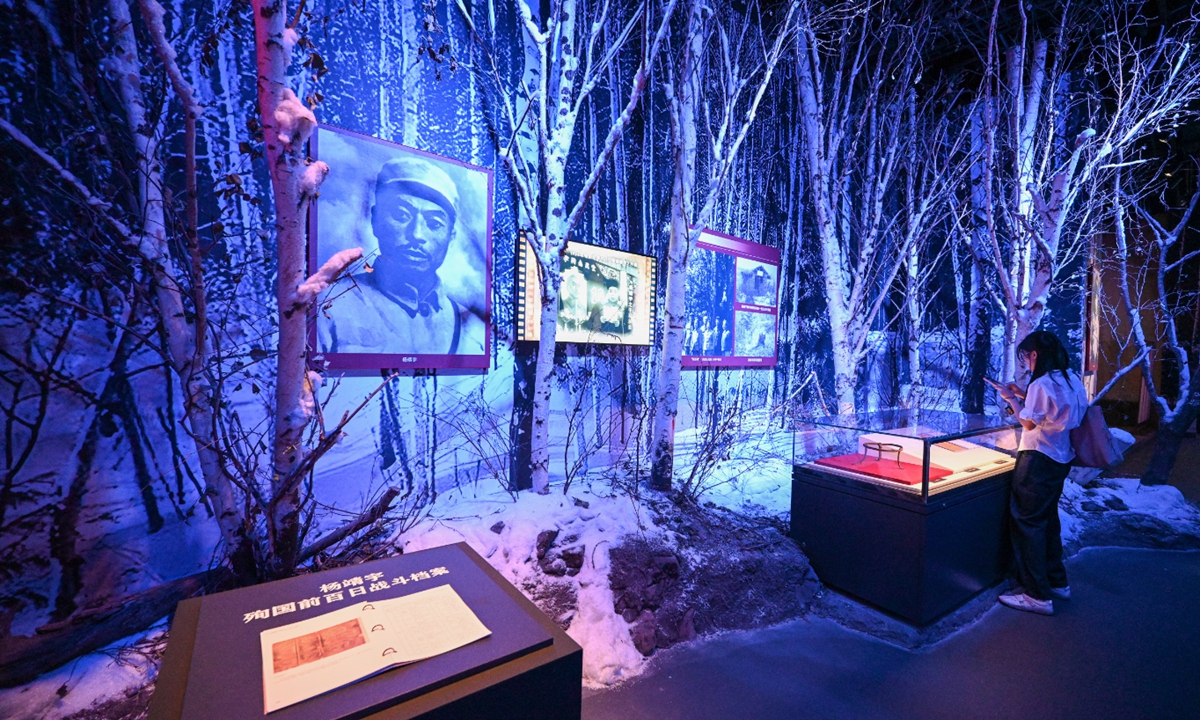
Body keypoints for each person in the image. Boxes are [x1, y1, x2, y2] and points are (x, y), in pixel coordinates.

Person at [319, 156, 485, 356]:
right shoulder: (330, 307)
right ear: (375, 219)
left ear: (451, 237)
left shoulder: (466, 325)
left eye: (434, 224)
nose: (416, 235)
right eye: (401, 215)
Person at [987, 331, 1088, 616]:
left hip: (1038, 459)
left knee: (1028, 524)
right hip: (1060, 457)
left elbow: (1029, 424)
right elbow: (1058, 412)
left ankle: (1035, 594)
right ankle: (1057, 582)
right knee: (1048, 521)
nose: (1027, 364)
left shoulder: (1042, 383)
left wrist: (1011, 399)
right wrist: (1023, 394)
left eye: (1026, 357)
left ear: (1034, 354)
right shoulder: (1070, 378)